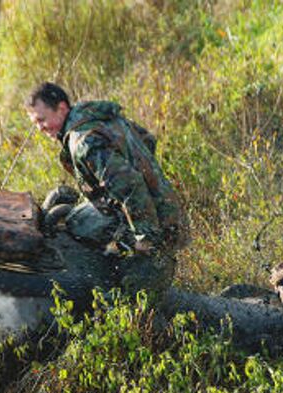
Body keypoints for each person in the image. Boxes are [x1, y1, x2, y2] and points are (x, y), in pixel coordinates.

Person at [25, 81, 187, 297]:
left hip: (158, 224)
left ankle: (139, 264)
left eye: (42, 120)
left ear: (61, 108)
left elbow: (131, 187)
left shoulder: (83, 142)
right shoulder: (95, 116)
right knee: (77, 222)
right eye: (35, 123)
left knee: (131, 298)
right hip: (159, 207)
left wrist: (144, 240)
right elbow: (147, 139)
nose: (40, 128)